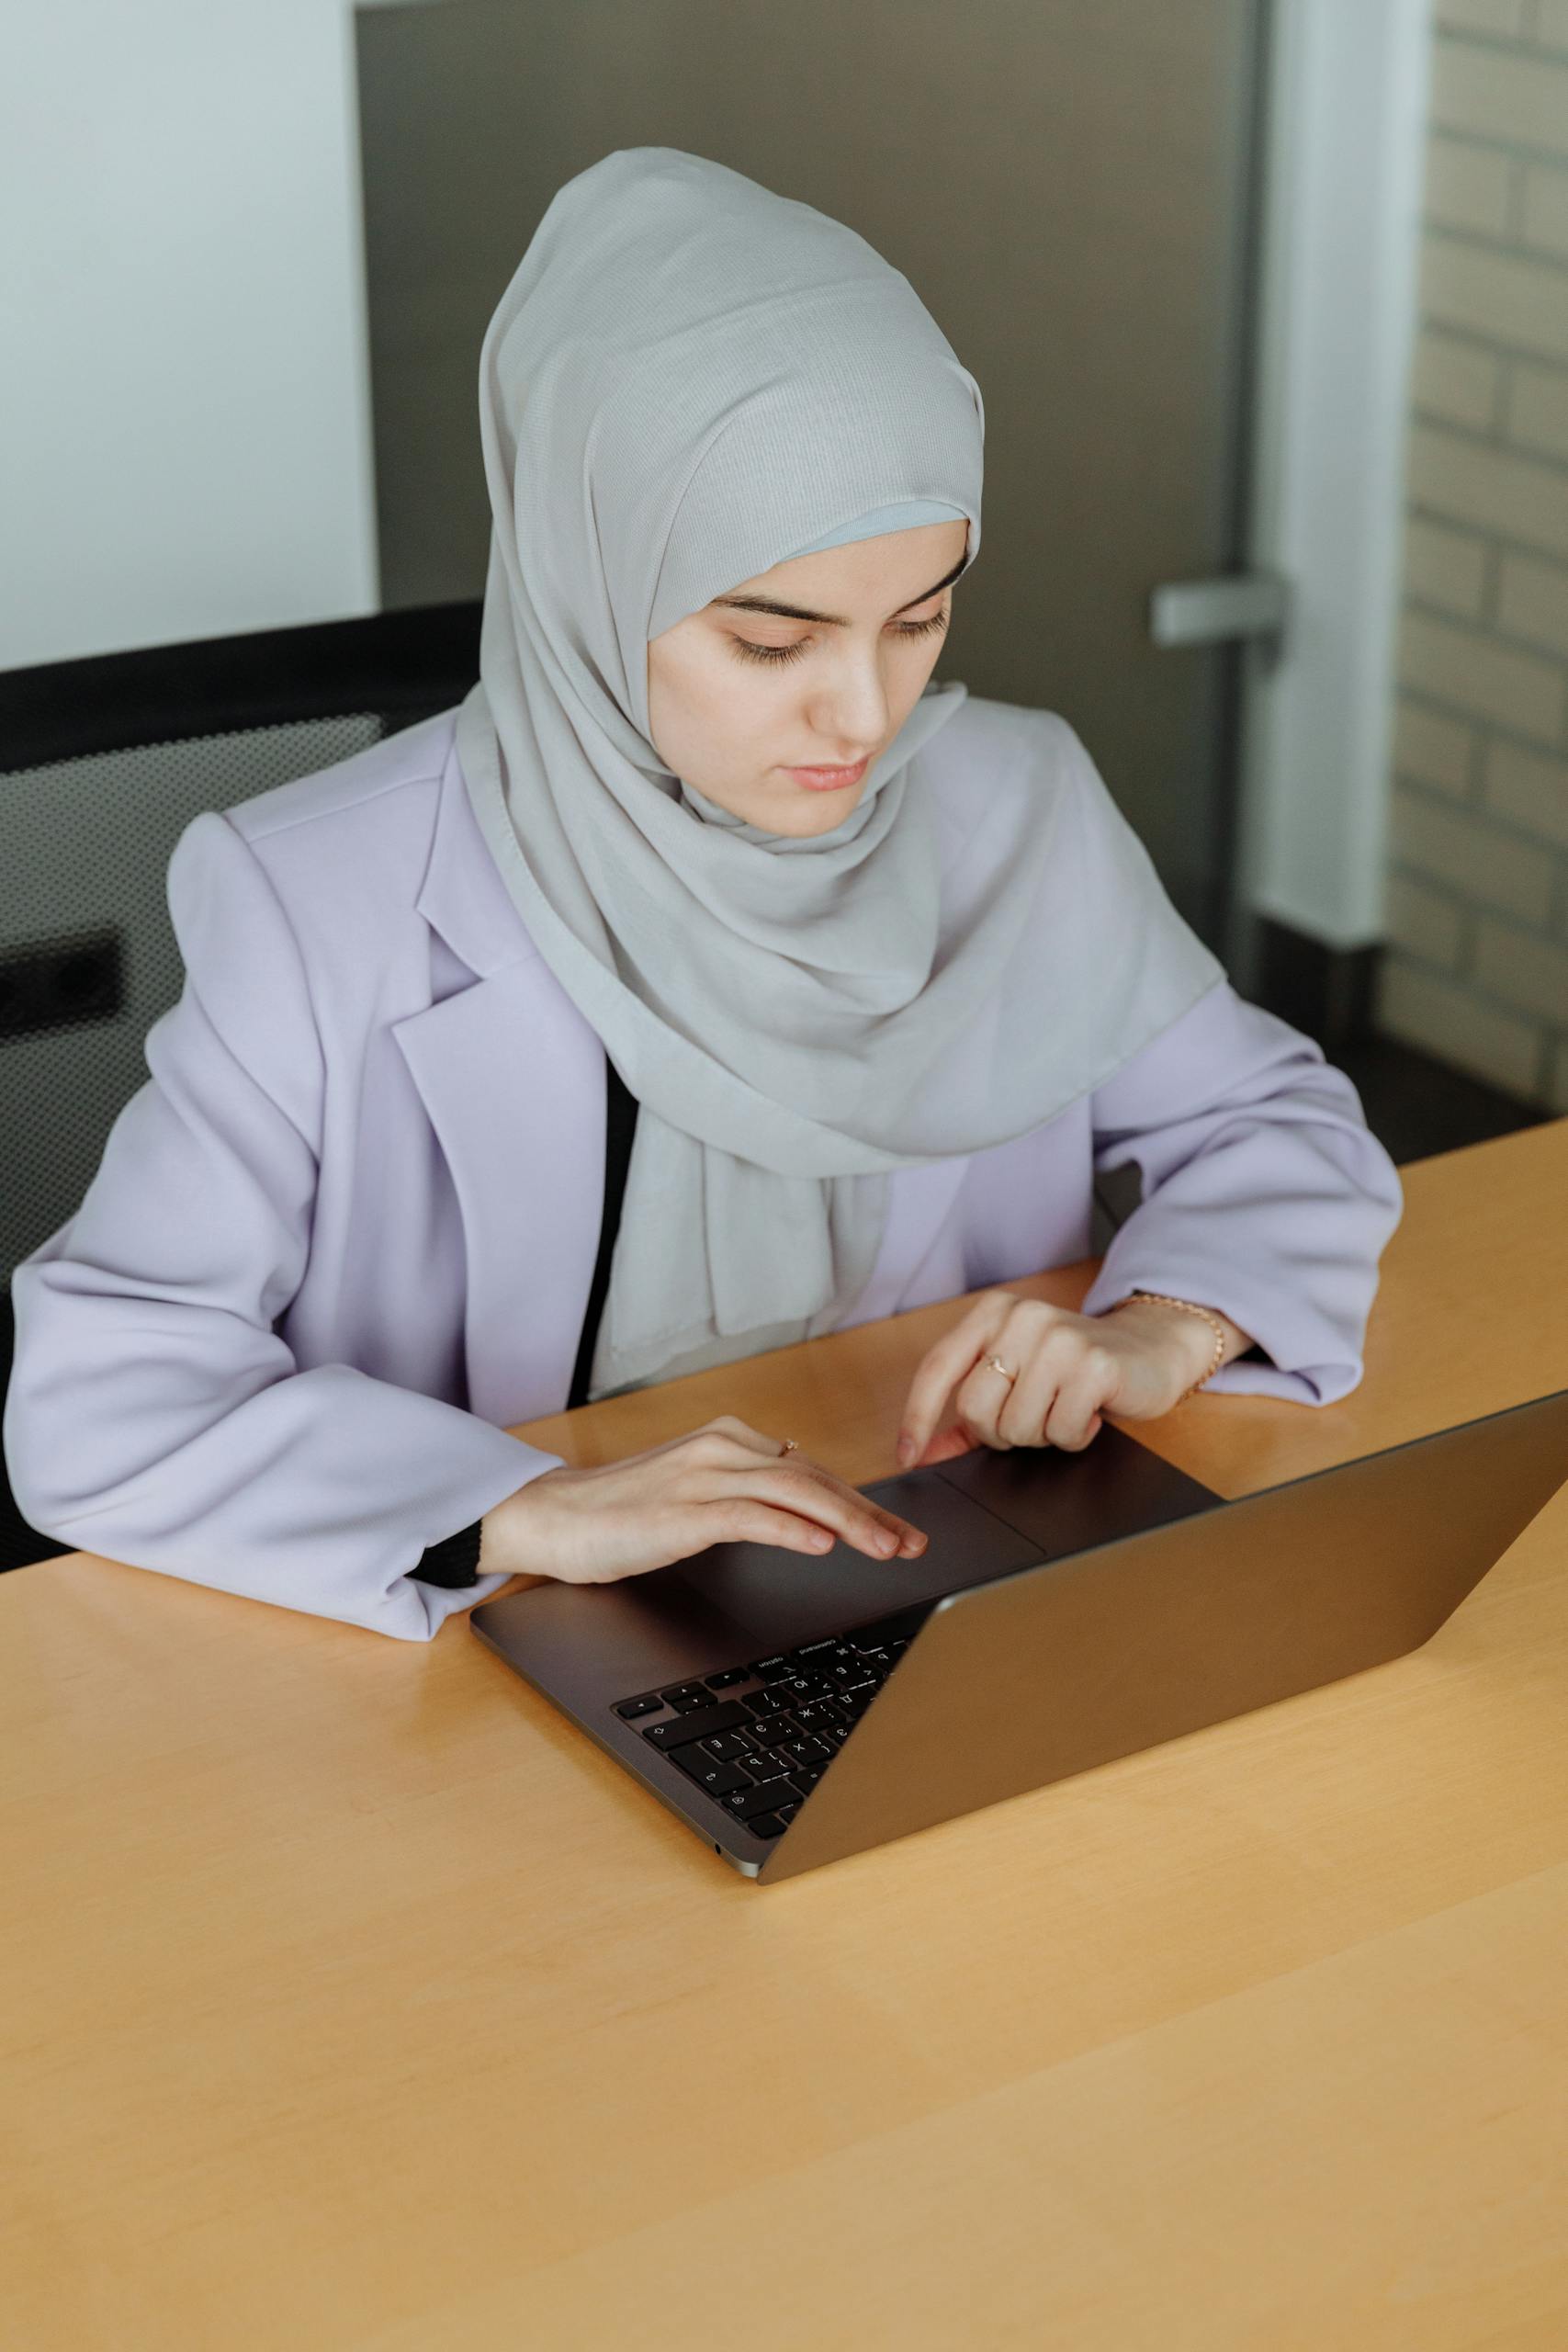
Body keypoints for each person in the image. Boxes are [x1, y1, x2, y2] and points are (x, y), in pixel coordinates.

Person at [3, 149, 1404, 1642]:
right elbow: (102, 1393)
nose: (861, 717)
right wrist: (521, 1504)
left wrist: (1163, 1328)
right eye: (769, 641)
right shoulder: (320, 902)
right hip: (510, 1646)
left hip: (930, 1564)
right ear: (584, 579)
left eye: (919, 620)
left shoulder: (1016, 800)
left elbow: (1279, 1123)